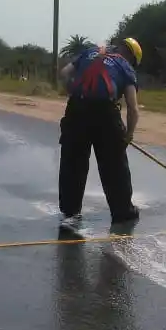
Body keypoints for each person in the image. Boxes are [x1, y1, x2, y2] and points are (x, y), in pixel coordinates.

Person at [57, 37, 143, 226]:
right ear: (131, 57)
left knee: (73, 162)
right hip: (105, 113)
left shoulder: (90, 52)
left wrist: (70, 90)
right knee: (114, 166)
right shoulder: (124, 65)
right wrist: (128, 136)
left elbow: (64, 73)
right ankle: (122, 211)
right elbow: (133, 108)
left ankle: (70, 210)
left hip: (76, 110)